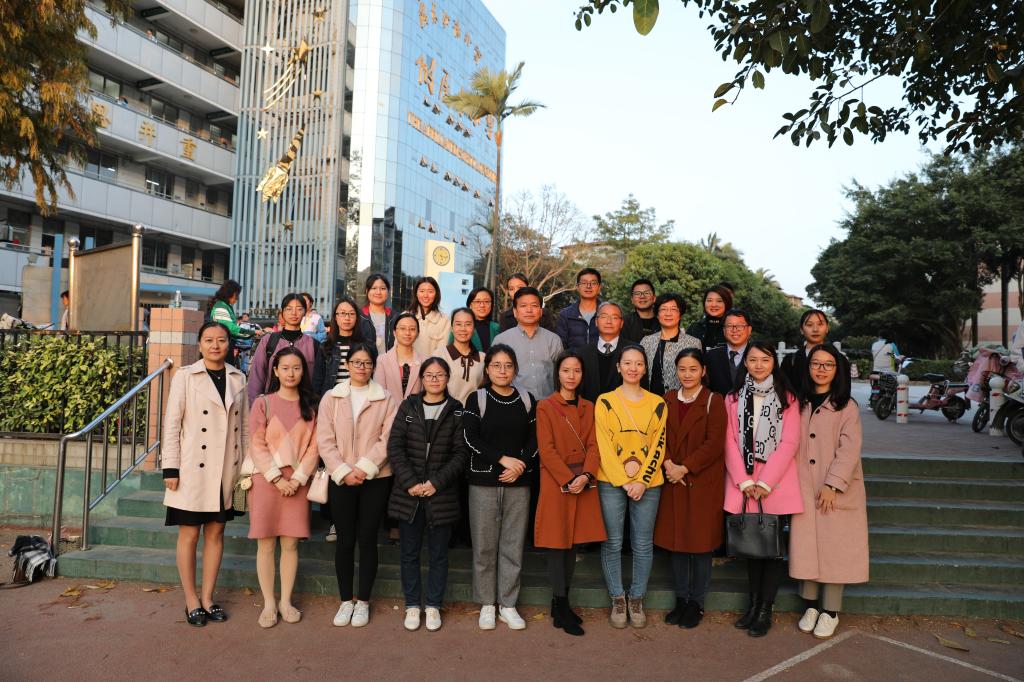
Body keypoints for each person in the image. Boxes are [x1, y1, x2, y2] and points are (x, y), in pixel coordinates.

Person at [161, 321, 248, 627]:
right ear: (199, 344)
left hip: (226, 469)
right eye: (209, 340)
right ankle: (191, 600)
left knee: (216, 532)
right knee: (189, 534)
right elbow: (172, 424)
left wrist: (245, 469)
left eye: (221, 340)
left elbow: (244, 430)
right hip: (191, 469)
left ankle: (208, 598)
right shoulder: (185, 376)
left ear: (229, 344)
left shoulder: (238, 377)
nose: (215, 345)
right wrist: (170, 467)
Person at [317, 343, 399, 628]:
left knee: (367, 539)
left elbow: (388, 439)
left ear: (373, 366)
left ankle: (363, 600)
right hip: (341, 478)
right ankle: (345, 600)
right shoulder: (332, 397)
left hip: (375, 478)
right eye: (356, 362)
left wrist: (363, 468)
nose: (361, 367)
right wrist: (342, 470)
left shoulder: (386, 398)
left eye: (367, 363)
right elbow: (324, 439)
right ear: (347, 364)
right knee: (344, 540)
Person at [790, 344, 868, 640]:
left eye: (828, 365)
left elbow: (850, 449)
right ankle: (810, 606)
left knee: (836, 549)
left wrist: (833, 484)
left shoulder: (846, 406)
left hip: (836, 489)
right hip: (803, 486)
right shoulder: (798, 402)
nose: (821, 369)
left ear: (837, 370)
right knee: (807, 547)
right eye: (816, 364)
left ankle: (831, 611)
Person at [724, 340, 802, 638]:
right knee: (751, 546)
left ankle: (765, 610)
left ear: (774, 363)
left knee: (771, 550)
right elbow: (729, 440)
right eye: (753, 359)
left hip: (775, 482)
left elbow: (790, 442)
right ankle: (753, 605)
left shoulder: (788, 398)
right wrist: (745, 481)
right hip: (743, 481)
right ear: (745, 363)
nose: (759, 365)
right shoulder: (733, 397)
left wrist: (765, 482)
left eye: (765, 360)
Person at [387, 357, 469, 632]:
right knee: (409, 553)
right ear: (421, 379)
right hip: (409, 494)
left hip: (441, 495)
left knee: (438, 555)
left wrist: (436, 482)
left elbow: (460, 453)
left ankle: (433, 605)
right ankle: (412, 605)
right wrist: (410, 482)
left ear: (447, 378)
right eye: (429, 375)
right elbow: (395, 446)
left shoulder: (456, 410)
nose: (434, 380)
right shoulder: (408, 406)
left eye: (440, 375)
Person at [462, 344, 538, 631]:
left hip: (519, 482)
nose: (502, 371)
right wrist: (502, 459)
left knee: (512, 545)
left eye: (508, 365)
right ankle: (486, 604)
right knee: (484, 546)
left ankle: (508, 604)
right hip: (483, 481)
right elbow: (470, 438)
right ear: (488, 369)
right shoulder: (477, 398)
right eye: (496, 365)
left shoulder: (527, 399)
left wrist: (519, 465)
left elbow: (535, 439)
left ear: (515, 369)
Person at [594, 345, 667, 629]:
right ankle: (617, 598)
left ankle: (636, 598)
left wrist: (642, 480)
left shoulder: (658, 403)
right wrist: (625, 482)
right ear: (618, 367)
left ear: (645, 368)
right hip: (611, 482)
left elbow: (658, 446)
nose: (633, 368)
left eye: (638, 363)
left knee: (642, 543)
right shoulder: (605, 401)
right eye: (627, 363)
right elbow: (603, 446)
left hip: (648, 483)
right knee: (612, 542)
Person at [534, 351, 606, 636]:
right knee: (556, 544)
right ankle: (560, 602)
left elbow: (595, 445)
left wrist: (586, 475)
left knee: (573, 543)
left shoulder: (589, 406)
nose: (571, 376)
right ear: (558, 373)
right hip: (557, 482)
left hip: (584, 481)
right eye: (566, 370)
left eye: (576, 370)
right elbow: (546, 449)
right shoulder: (546, 406)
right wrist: (569, 478)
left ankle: (561, 603)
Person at [653, 348, 726, 629]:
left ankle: (697, 602)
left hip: (700, 482)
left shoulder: (713, 401)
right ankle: (681, 599)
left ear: (703, 371)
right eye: (682, 369)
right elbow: (658, 436)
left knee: (701, 545)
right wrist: (668, 464)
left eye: (693, 369)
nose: (687, 374)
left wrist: (684, 467)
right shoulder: (668, 399)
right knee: (678, 543)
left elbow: (714, 443)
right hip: (673, 479)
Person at [247, 347, 319, 628]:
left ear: (303, 372)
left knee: (290, 544)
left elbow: (314, 448)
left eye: (297, 368)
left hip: (298, 482)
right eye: (285, 368)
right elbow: (256, 443)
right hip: (266, 481)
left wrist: (297, 479)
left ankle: (286, 601)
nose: (291, 373)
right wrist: (277, 478)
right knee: (265, 544)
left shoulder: (311, 406)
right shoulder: (262, 403)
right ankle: (268, 603)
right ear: (275, 371)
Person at [248, 294, 323, 403]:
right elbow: (257, 376)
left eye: (299, 309)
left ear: (304, 312)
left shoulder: (314, 345)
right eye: (289, 309)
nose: (294, 313)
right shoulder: (268, 341)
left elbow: (317, 382)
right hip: (272, 406)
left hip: (304, 406)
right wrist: (255, 406)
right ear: (282, 312)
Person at [491, 286, 563, 400]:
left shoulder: (554, 340)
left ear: (541, 311)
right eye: (523, 306)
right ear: (515, 312)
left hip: (547, 404)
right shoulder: (501, 340)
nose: (529, 310)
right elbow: (494, 376)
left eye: (534, 305)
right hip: (513, 403)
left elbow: (562, 374)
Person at [579, 301, 644, 403]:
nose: (609, 321)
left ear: (621, 323)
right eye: (604, 316)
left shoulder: (635, 351)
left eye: (614, 317)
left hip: (625, 409)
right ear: (596, 322)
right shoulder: (582, 353)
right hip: (590, 410)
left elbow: (643, 387)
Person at [639, 293, 701, 397]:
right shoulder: (646, 342)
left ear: (680, 314)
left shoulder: (693, 343)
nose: (668, 313)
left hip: (681, 402)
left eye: (673, 309)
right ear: (657, 315)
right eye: (663, 309)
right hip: (649, 401)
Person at [315, 296, 371, 397]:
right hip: (332, 400)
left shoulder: (367, 346)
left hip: (360, 399)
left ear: (357, 318)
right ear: (335, 317)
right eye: (342, 313)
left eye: (351, 314)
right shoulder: (325, 347)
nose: (347, 318)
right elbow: (317, 381)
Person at [436, 307, 485, 403]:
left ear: (474, 328)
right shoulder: (439, 355)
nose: (463, 329)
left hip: (474, 410)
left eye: (468, 324)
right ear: (452, 328)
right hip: (447, 410)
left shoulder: (483, 358)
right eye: (458, 324)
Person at [374, 312, 425, 401]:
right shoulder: (382, 360)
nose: (407, 333)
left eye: (412, 329)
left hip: (416, 410)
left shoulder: (425, 361)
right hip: (389, 409)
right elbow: (378, 394)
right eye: (402, 328)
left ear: (417, 333)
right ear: (394, 332)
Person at [705, 309, 753, 395]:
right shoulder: (711, 356)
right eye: (729, 326)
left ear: (749, 330)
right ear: (724, 330)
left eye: (740, 326)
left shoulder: (759, 355)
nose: (735, 330)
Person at [555, 268, 603, 350]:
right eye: (584, 283)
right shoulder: (566, 315)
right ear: (577, 287)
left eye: (593, 283)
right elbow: (561, 347)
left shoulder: (607, 313)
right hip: (573, 358)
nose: (588, 286)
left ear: (599, 287)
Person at [781, 309, 830, 389]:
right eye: (809, 325)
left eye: (820, 324)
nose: (815, 329)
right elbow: (783, 390)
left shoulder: (839, 359)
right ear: (801, 330)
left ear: (827, 328)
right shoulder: (790, 361)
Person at [408, 276, 451, 357]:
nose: (425, 295)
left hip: (433, 364)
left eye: (430, 291)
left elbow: (441, 351)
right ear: (416, 293)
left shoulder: (445, 320)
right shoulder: (405, 317)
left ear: (436, 294)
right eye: (422, 291)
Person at [209, 279, 258, 347]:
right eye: (236, 295)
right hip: (220, 347)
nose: (237, 298)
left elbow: (233, 328)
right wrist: (253, 332)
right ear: (229, 293)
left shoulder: (225, 306)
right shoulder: (221, 307)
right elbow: (231, 329)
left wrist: (253, 332)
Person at [686, 285, 734, 351]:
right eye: (709, 300)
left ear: (727, 303)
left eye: (719, 301)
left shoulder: (734, 328)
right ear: (704, 303)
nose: (713, 305)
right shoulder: (694, 328)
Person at [363, 273, 394, 354]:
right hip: (365, 361)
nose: (378, 292)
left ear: (388, 292)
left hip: (389, 361)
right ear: (367, 291)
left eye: (383, 288)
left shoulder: (395, 317)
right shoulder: (359, 316)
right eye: (374, 288)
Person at [622, 279, 658, 344]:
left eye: (646, 293)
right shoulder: (623, 323)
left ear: (654, 298)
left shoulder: (663, 321)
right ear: (632, 299)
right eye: (637, 294)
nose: (642, 296)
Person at [465, 286, 500, 352]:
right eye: (477, 301)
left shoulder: (498, 328)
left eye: (486, 301)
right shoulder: (461, 327)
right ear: (470, 305)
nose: (482, 305)